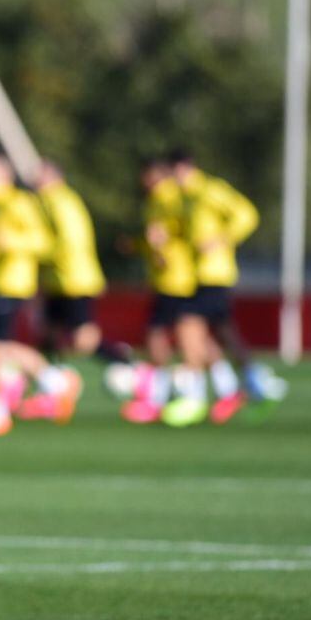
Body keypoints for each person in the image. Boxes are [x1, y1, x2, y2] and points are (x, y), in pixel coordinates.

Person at [169, 150, 282, 425]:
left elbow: (247, 214)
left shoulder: (210, 190)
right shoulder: (186, 199)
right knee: (224, 335)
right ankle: (251, 386)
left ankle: (196, 398)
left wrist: (221, 240)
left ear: (184, 168)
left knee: (188, 328)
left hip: (214, 275)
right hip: (197, 277)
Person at [0, 155, 76, 434]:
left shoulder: (18, 202)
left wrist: (12, 242)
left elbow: (43, 242)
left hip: (14, 283)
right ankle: (55, 381)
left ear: (3, 175)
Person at [120, 156, 209, 425]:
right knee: (170, 336)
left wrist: (163, 246)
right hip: (171, 277)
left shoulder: (170, 198)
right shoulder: (161, 199)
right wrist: (140, 246)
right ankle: (168, 396)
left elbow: (180, 231)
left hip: (178, 277)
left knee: (171, 336)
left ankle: (186, 397)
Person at [31, 160, 133, 386]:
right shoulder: (45, 201)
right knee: (49, 333)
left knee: (82, 340)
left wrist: (34, 247)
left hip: (74, 279)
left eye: (41, 174)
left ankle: (121, 358)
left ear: (55, 177)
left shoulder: (63, 201)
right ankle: (52, 384)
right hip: (56, 280)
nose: (35, 179)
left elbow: (70, 241)